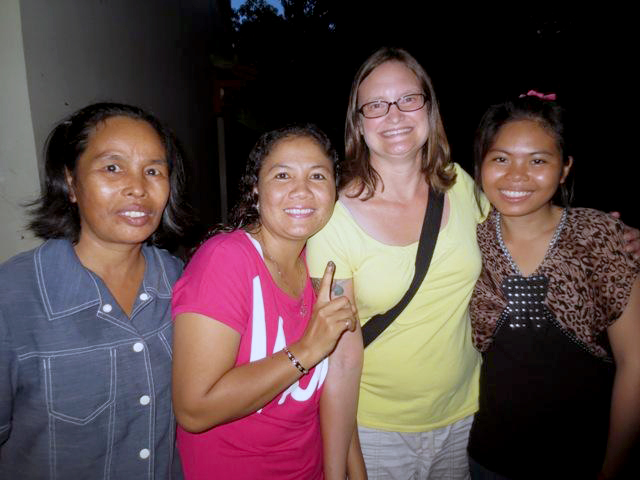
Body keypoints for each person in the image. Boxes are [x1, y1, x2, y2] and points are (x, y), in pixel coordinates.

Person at [307, 46, 485, 479]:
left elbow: (523, 234)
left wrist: (602, 236)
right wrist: (336, 468)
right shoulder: (334, 219)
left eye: (408, 98)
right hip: (378, 431)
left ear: (429, 107)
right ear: (358, 123)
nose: (395, 115)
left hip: (466, 415)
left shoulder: (461, 186)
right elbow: (341, 357)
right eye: (376, 105)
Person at [0, 102, 190, 478]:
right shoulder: (13, 297)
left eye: (153, 170)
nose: (138, 188)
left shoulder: (181, 281)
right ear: (71, 183)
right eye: (112, 167)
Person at [171, 124, 363, 479]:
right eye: (282, 175)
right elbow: (194, 410)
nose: (302, 190)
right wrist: (306, 351)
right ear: (255, 188)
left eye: (318, 176)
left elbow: (337, 395)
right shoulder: (226, 261)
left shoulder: (323, 270)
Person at [468, 93, 640, 480]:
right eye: (500, 159)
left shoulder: (600, 237)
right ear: (480, 165)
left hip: (585, 459)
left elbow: (635, 362)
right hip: (483, 458)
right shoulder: (465, 241)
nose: (516, 175)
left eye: (538, 160)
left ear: (564, 169)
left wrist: (612, 468)